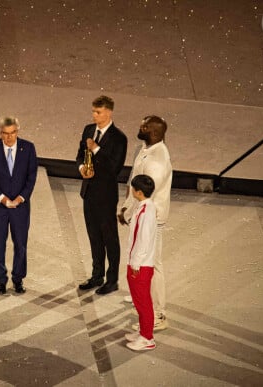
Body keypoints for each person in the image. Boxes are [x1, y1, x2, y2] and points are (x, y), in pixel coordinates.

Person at [119, 115, 172, 331]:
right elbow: (135, 179)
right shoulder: (146, 148)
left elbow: (145, 192)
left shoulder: (157, 161)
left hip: (152, 218)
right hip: (141, 213)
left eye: (145, 126)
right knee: (137, 255)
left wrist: (128, 211)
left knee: (153, 264)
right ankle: (142, 298)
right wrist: (126, 206)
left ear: (155, 133)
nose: (140, 127)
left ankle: (159, 314)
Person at [76, 95, 128, 295]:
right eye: (93, 112)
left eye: (98, 112)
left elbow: (115, 168)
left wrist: (96, 149)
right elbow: (80, 154)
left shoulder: (119, 138)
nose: (94, 115)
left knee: (109, 238)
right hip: (88, 192)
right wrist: (81, 167)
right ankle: (97, 275)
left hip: (106, 196)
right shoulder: (89, 130)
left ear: (109, 112)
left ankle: (112, 279)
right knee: (94, 236)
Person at [0, 116, 38, 295]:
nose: (9, 137)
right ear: (0, 133)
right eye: (5, 134)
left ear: (17, 132)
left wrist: (21, 198)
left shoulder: (28, 148)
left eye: (12, 133)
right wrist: (3, 199)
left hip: (20, 207)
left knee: (20, 244)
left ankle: (18, 279)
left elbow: (31, 176)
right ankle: (1, 280)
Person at [124, 174, 157, 351]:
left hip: (141, 264)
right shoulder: (143, 207)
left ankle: (147, 338)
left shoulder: (147, 211)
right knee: (139, 301)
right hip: (137, 261)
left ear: (138, 192)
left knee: (143, 302)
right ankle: (143, 332)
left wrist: (135, 263)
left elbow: (143, 239)